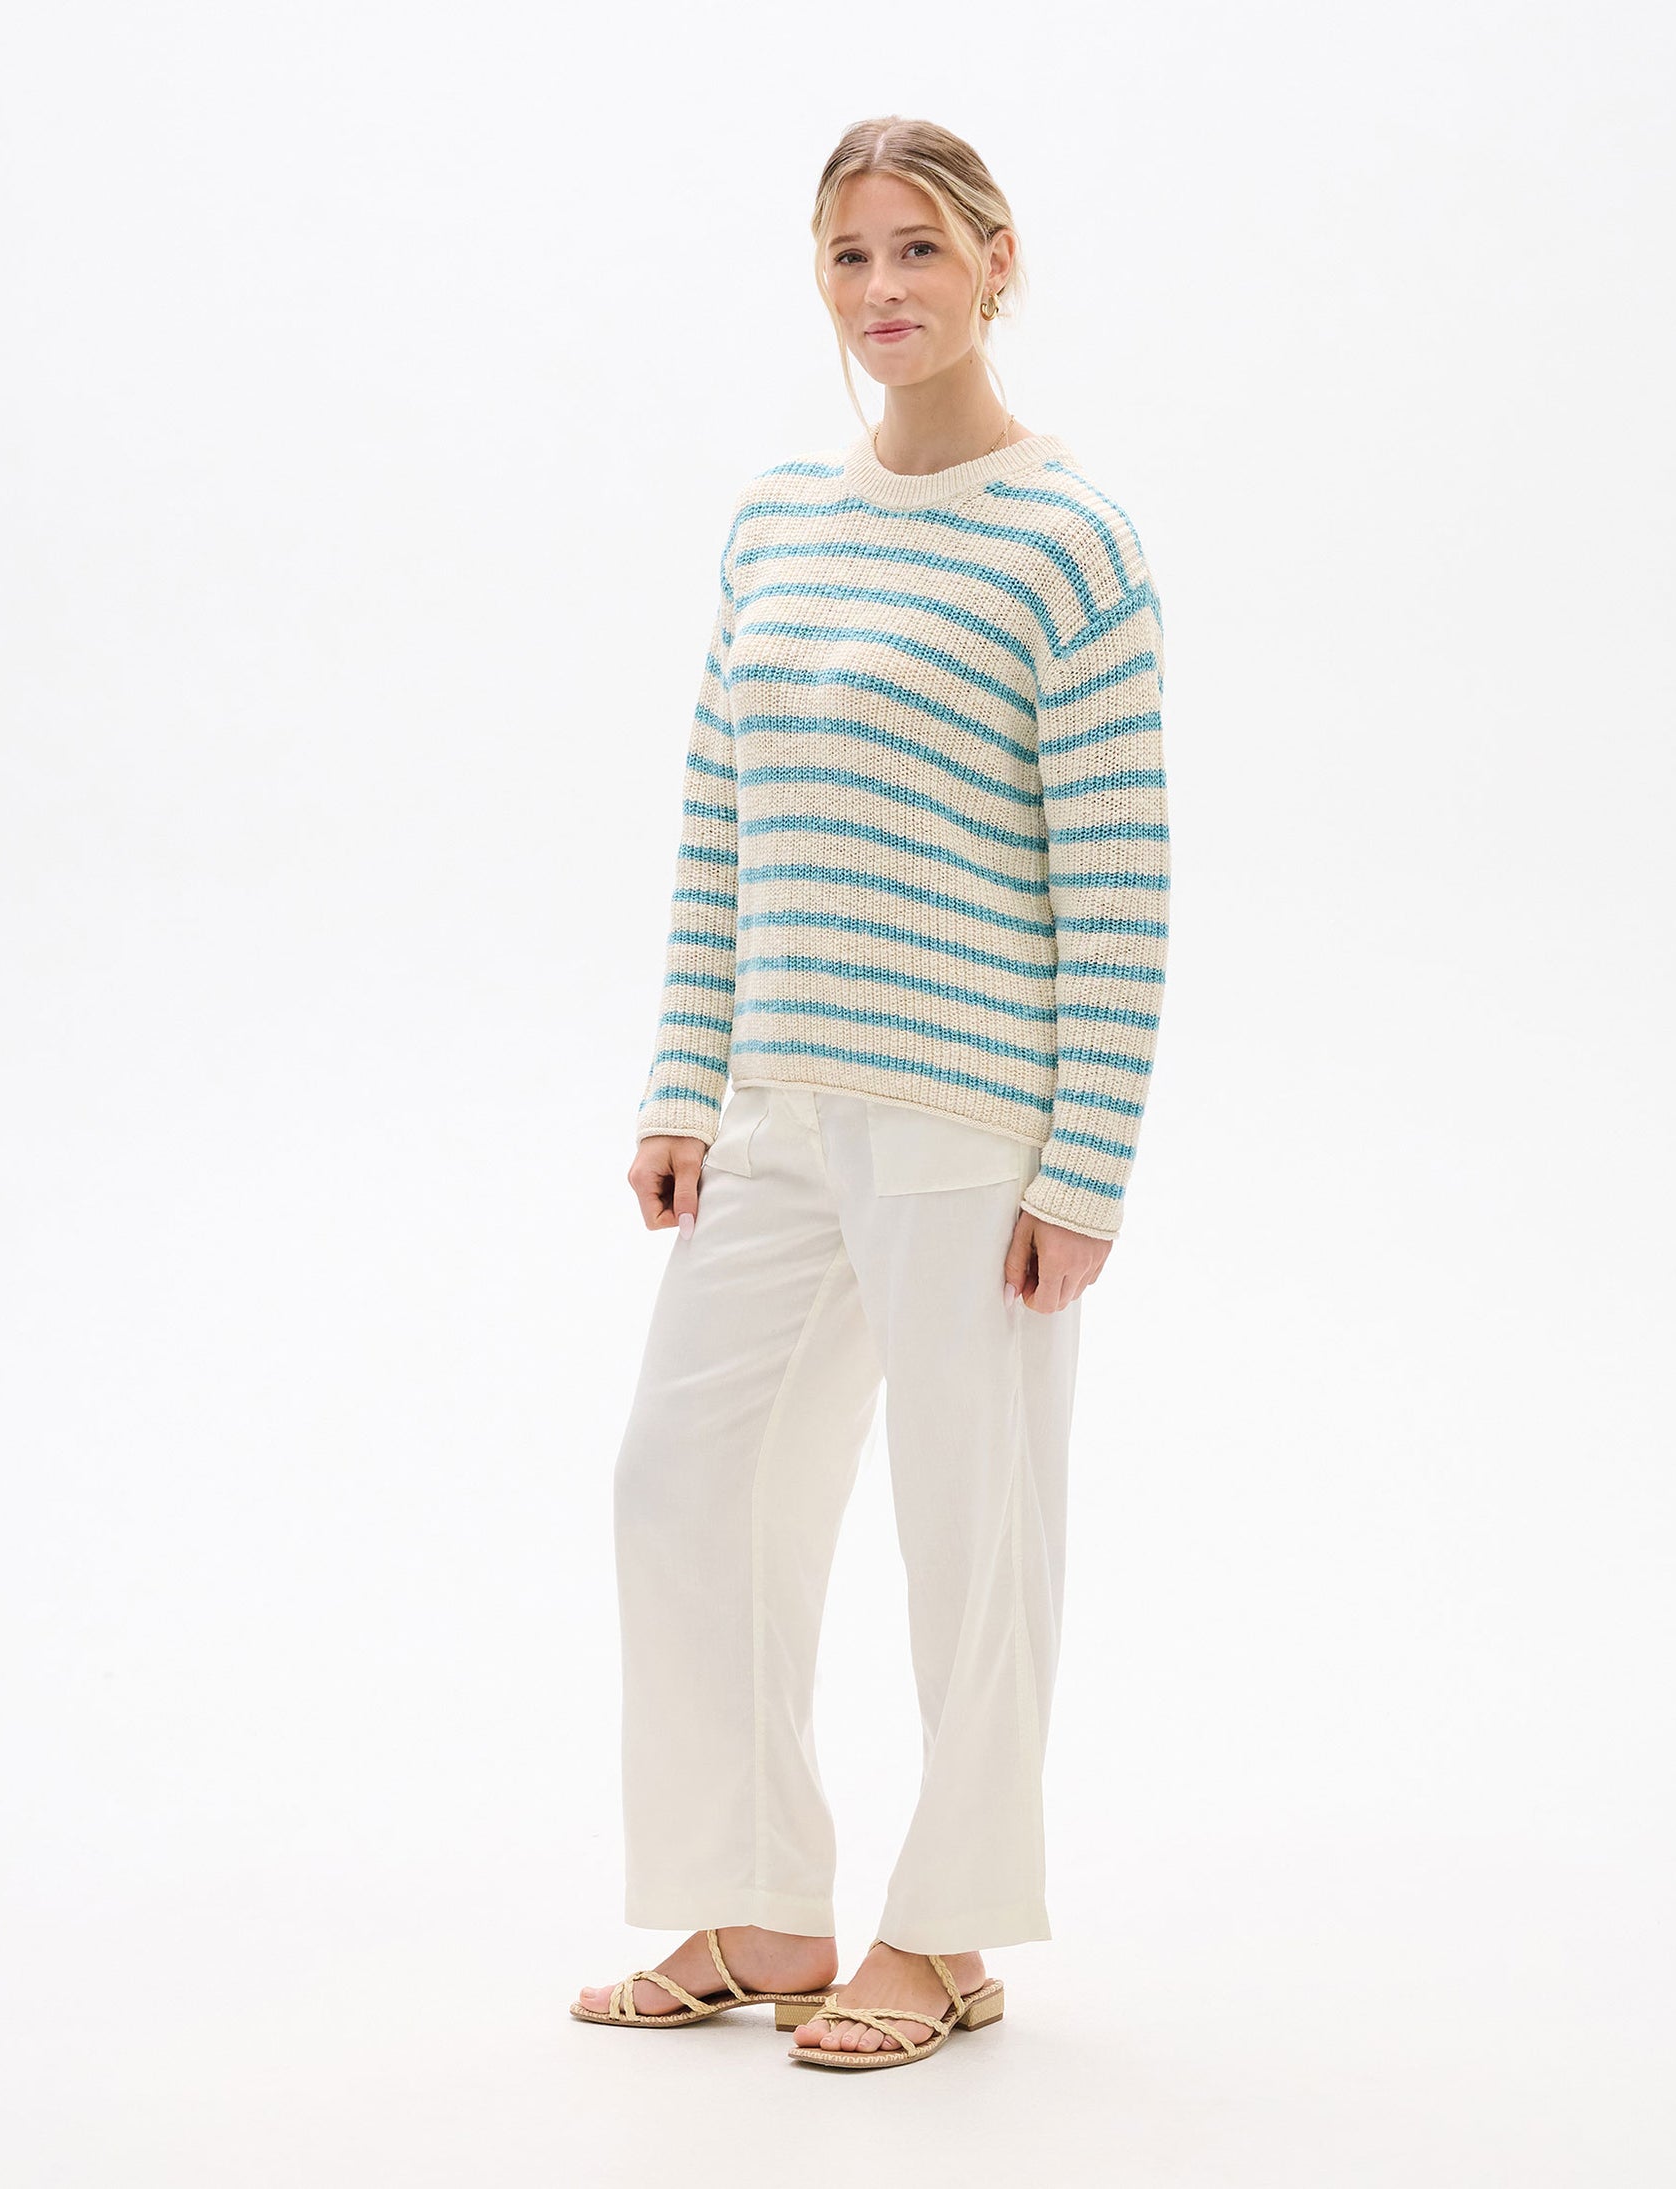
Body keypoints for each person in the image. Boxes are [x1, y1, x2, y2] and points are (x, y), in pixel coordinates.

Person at [571, 114, 1172, 2072]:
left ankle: (948, 1930)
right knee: (683, 1478)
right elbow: (719, 818)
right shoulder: (775, 523)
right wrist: (681, 1079)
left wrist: (1083, 1167)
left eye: (919, 247)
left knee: (968, 1532)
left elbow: (1118, 881)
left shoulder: (1068, 543)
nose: (883, 287)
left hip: (966, 1120)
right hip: (774, 1105)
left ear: (996, 261)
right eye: (849, 254)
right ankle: (756, 1900)